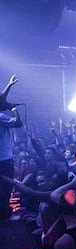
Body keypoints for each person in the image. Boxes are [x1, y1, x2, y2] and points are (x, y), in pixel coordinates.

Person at [0, 74, 21, 221]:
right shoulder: (1, 117)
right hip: (4, 160)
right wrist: (13, 109)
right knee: (6, 188)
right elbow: (18, 123)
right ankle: (5, 215)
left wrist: (9, 84)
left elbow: (1, 98)